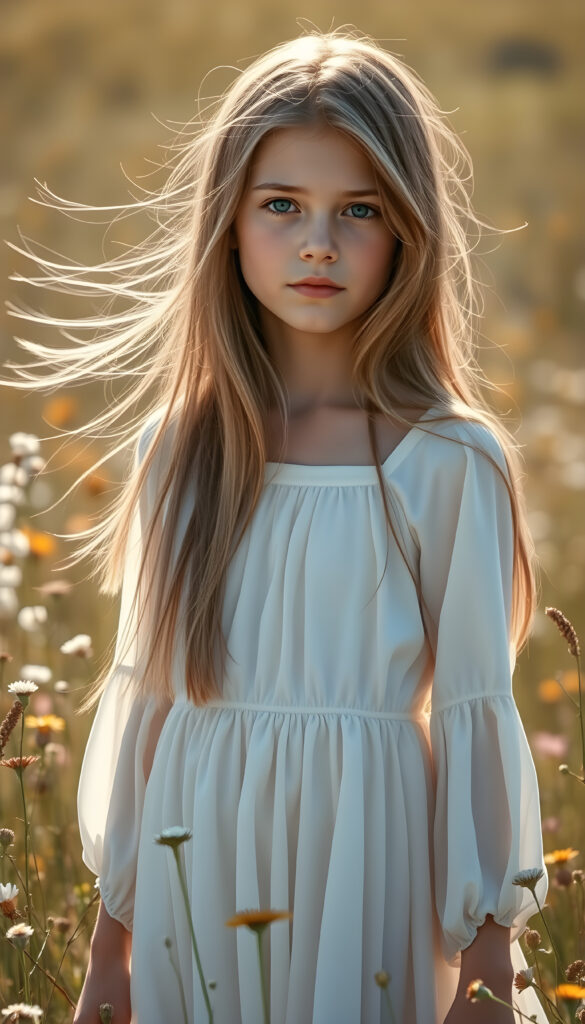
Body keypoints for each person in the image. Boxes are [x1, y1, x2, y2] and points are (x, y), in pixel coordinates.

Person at [3, 28, 549, 1024]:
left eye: (359, 211)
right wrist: (109, 958)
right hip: (194, 869)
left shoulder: (447, 460)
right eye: (282, 205)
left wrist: (487, 968)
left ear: (409, 230)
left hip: (374, 867)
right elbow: (149, 707)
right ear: (229, 221)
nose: (316, 243)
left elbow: (476, 713)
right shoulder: (189, 445)